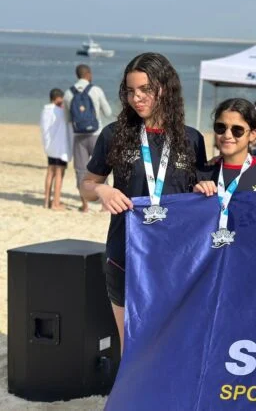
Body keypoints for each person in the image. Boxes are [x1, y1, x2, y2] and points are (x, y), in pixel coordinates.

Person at [81, 53, 207, 352]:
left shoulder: (191, 139)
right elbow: (86, 186)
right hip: (126, 253)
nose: (136, 98)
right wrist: (102, 191)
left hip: (175, 256)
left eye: (145, 89)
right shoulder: (114, 134)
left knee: (172, 344)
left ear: (165, 88)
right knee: (131, 347)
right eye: (130, 91)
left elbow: (199, 195)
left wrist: (205, 187)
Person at [195, 98, 256, 196]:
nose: (227, 135)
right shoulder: (201, 176)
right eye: (220, 127)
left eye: (237, 130)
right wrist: (195, 196)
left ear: (253, 134)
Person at [63, 64, 113, 212]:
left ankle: (84, 205)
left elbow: (67, 119)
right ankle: (104, 205)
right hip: (96, 135)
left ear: (77, 75)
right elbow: (108, 112)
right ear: (88, 74)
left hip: (78, 136)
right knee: (103, 168)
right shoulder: (96, 90)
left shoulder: (68, 93)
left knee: (80, 170)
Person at [40, 88, 71, 210]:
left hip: (50, 146)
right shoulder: (60, 112)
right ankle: (56, 203)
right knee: (59, 173)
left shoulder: (45, 110)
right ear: (58, 98)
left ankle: (46, 201)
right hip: (60, 147)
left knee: (50, 172)